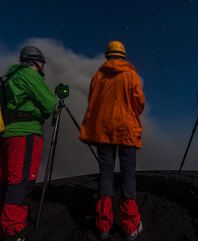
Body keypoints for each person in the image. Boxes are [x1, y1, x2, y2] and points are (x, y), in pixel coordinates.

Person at [0, 46, 56, 241]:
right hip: (25, 134)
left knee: (1, 183)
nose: (43, 67)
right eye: (42, 63)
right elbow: (50, 104)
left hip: (7, 135)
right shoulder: (28, 75)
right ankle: (14, 230)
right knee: (21, 182)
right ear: (35, 62)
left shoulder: (9, 77)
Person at [79, 40, 145, 240]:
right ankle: (130, 226)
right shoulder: (131, 74)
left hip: (104, 132)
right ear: (123, 55)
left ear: (108, 55)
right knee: (128, 175)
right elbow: (139, 102)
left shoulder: (98, 76)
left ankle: (103, 225)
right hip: (126, 130)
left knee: (105, 175)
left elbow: (93, 103)